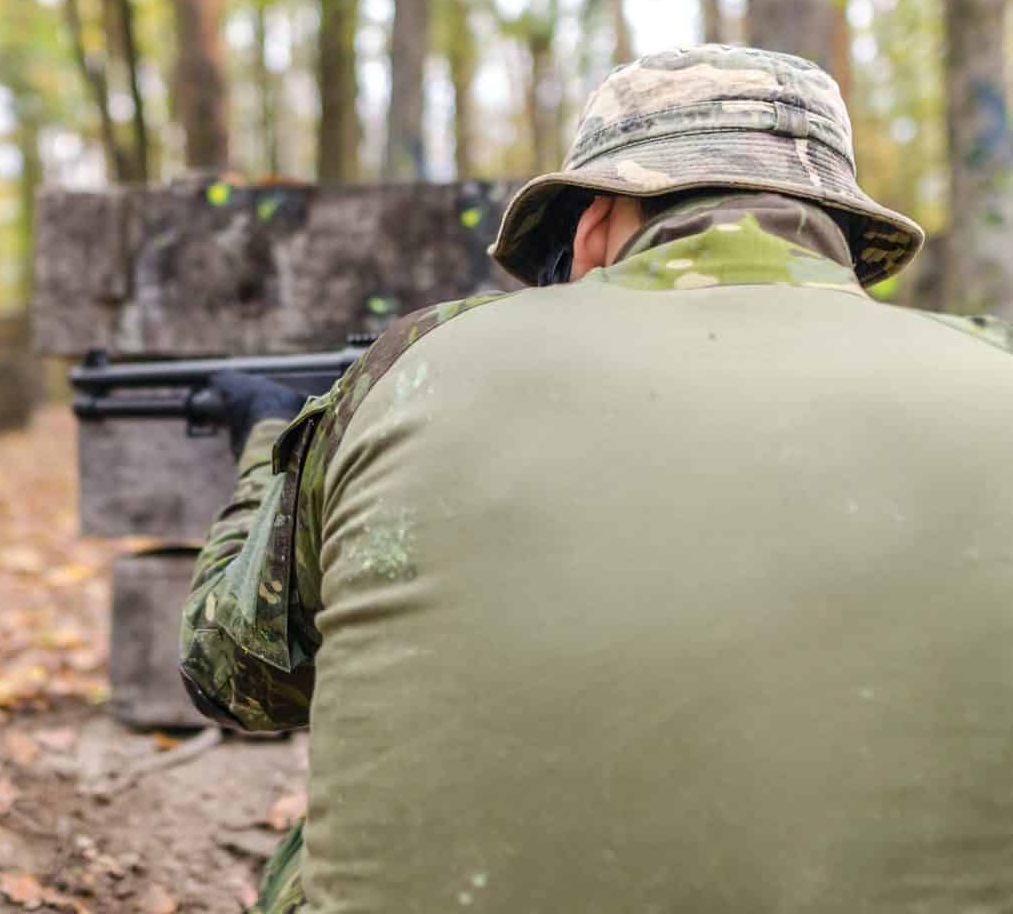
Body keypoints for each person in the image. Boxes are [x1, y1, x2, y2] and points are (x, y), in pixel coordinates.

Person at [180, 44, 1013, 913]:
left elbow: (233, 673)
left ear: (593, 223)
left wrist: (268, 441)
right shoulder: (993, 371)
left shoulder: (419, 364)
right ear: (840, 236)